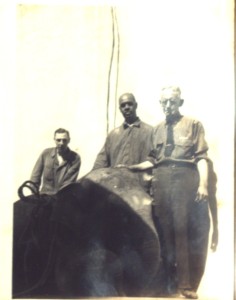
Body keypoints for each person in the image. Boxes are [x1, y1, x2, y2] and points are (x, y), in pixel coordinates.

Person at [122, 86, 216, 299]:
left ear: (180, 102)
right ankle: (164, 284)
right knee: (162, 232)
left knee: (182, 231)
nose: (168, 105)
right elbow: (152, 160)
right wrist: (133, 168)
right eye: (164, 102)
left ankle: (184, 285)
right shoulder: (157, 129)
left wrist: (203, 185)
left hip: (185, 179)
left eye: (172, 101)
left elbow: (202, 158)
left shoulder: (193, 125)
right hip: (162, 180)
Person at [93, 93, 153, 190]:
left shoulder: (150, 132)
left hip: (140, 190)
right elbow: (101, 163)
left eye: (130, 104)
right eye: (123, 105)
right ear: (120, 109)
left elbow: (154, 161)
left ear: (136, 105)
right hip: (116, 190)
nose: (126, 107)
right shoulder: (113, 135)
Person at [30, 128, 81, 195]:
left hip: (63, 198)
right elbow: (35, 176)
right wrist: (34, 194)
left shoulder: (75, 158)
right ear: (54, 140)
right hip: (44, 197)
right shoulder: (46, 153)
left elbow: (68, 183)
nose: (61, 143)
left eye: (64, 140)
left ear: (69, 140)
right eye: (58, 140)